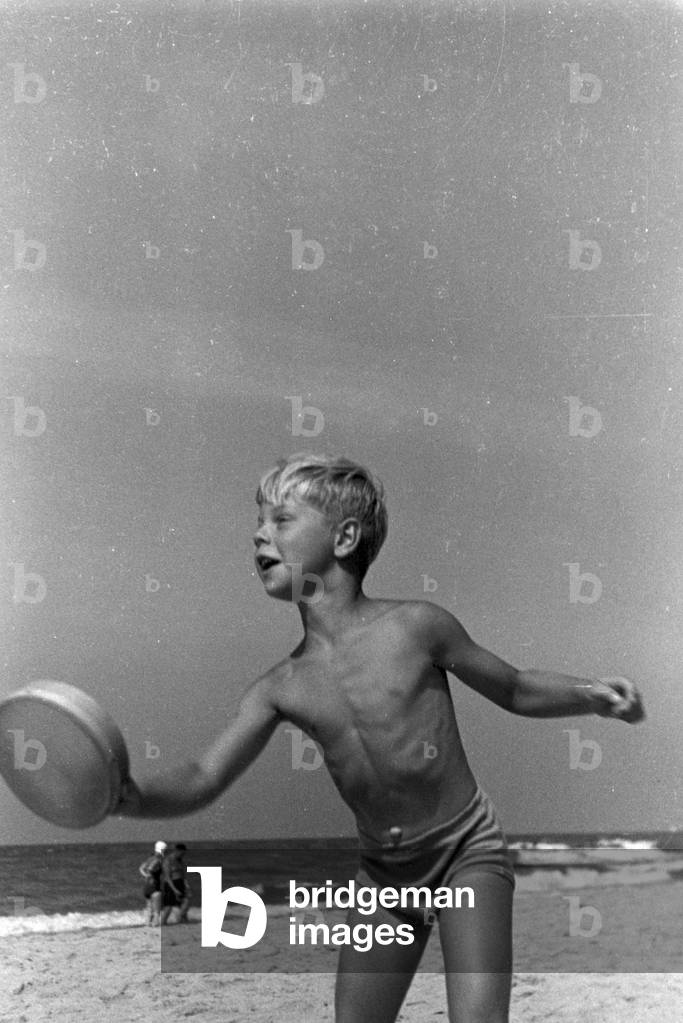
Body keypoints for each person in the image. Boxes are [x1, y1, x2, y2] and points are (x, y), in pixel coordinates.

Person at [117, 453, 644, 1023]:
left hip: (467, 850)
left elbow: (514, 688)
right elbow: (204, 775)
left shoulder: (417, 627)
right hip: (386, 875)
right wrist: (132, 797)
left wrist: (591, 695)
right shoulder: (281, 687)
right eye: (259, 523)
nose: (259, 535)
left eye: (281, 520)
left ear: (344, 538)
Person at [160, 842, 191, 924]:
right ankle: (163, 922)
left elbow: (183, 874)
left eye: (184, 854)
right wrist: (174, 889)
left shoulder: (180, 860)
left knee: (186, 901)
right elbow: (167, 877)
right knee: (168, 906)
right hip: (170, 885)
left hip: (180, 883)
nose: (183, 855)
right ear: (177, 851)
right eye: (182, 853)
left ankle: (181, 919)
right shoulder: (168, 860)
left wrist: (186, 885)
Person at [138, 840, 167, 926]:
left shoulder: (149, 858)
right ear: (163, 850)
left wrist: (146, 876)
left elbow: (141, 868)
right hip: (154, 886)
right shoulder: (158, 860)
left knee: (149, 908)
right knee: (157, 909)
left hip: (147, 886)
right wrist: (150, 875)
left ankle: (147, 924)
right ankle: (155, 924)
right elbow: (151, 869)